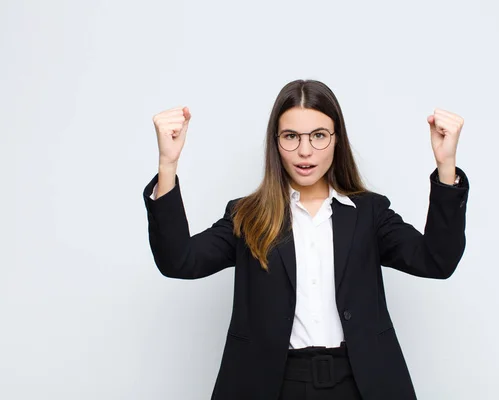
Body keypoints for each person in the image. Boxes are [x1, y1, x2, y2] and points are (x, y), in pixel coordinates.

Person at [142, 79, 469, 400]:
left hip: (360, 381)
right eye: (291, 137)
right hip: (273, 382)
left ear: (336, 139)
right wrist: (167, 163)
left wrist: (446, 167)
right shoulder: (248, 215)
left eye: (318, 136)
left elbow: (436, 261)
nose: (305, 151)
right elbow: (179, 261)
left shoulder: (369, 213)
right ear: (276, 141)